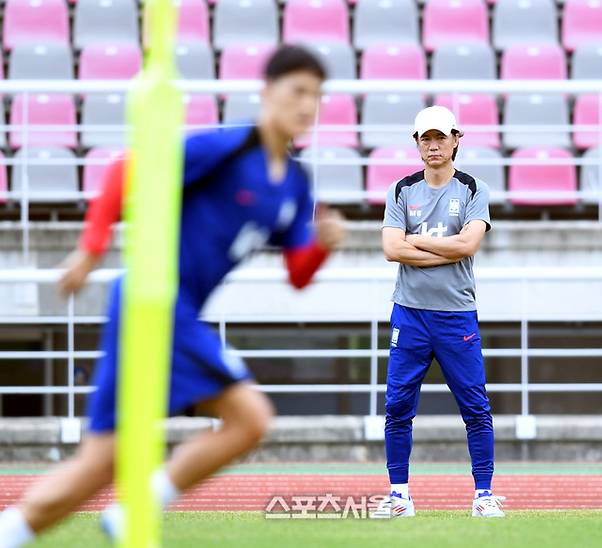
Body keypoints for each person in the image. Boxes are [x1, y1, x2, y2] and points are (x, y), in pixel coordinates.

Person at [0, 45, 345, 547]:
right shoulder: (228, 149)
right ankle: (136, 510)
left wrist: (323, 247)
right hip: (155, 300)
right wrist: (91, 249)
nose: (307, 105)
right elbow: (125, 170)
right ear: (267, 92)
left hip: (164, 311)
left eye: (316, 95)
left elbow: (296, 274)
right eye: (297, 91)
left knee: (101, 464)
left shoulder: (295, 183)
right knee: (250, 417)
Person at [373, 105, 504, 519]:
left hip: (456, 314)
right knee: (397, 406)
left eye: (440, 137)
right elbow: (391, 249)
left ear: (456, 139)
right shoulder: (400, 190)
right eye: (425, 138)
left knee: (474, 406)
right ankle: (398, 496)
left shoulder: (472, 189)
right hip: (409, 314)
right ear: (416, 143)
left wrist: (417, 245)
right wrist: (442, 250)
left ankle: (483, 495)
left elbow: (467, 246)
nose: (433, 145)